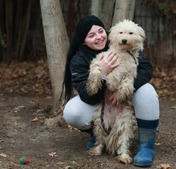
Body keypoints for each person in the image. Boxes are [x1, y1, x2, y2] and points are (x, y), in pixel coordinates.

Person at [62, 15, 160, 167]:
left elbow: (146, 69)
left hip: (124, 96)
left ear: (107, 32)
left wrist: (125, 89)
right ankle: (99, 137)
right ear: (83, 40)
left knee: (147, 91)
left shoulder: (127, 47)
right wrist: (103, 74)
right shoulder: (79, 60)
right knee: (72, 111)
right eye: (91, 35)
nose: (99, 37)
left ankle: (145, 146)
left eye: (101, 31)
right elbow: (87, 95)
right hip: (98, 101)